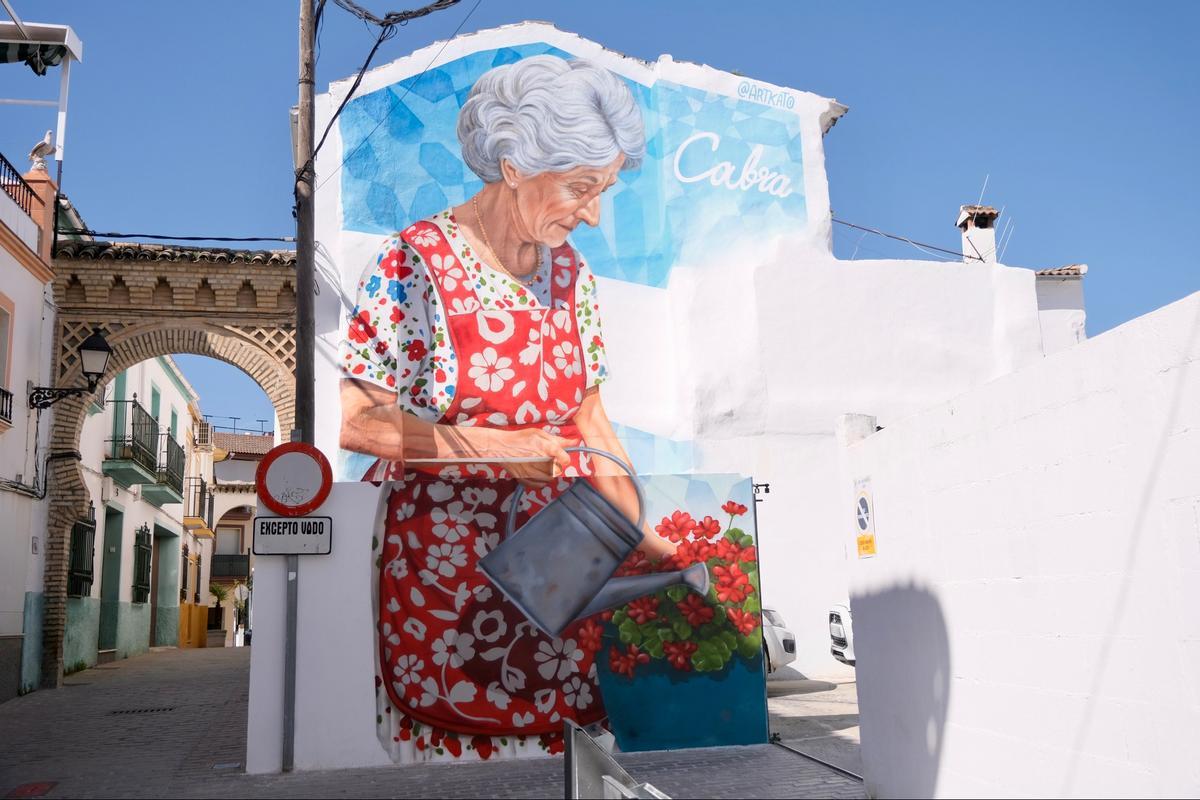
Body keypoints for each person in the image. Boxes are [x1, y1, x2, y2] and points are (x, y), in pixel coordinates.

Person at [338, 55, 671, 762]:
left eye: (604, 189)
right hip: (445, 584)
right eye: (582, 187)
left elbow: (593, 426)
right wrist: (501, 446)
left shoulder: (572, 273)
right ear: (515, 164)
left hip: (560, 577)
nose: (594, 212)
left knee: (570, 762)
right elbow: (361, 423)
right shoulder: (411, 265)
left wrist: (645, 540)